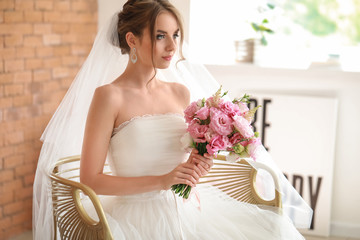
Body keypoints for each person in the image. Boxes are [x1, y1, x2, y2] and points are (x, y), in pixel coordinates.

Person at [33, 0, 312, 239]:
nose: (172, 46)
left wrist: (198, 162)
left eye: (176, 35)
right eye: (159, 36)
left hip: (190, 208)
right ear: (132, 40)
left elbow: (183, 161)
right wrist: (163, 180)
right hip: (137, 218)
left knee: (271, 228)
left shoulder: (180, 92)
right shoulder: (109, 96)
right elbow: (90, 179)